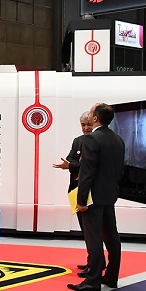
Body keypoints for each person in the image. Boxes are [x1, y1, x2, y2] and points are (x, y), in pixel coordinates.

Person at [68, 103, 125, 291]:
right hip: (110, 195)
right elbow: (120, 171)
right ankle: (111, 276)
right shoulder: (118, 139)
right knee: (112, 237)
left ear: (95, 118)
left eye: (91, 113)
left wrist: (81, 200)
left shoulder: (92, 139)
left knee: (94, 238)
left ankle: (92, 281)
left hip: (93, 198)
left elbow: (87, 172)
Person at [53, 111, 97, 275]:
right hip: (76, 190)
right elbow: (70, 158)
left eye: (88, 125)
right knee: (85, 229)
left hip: (92, 192)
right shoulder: (77, 141)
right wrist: (71, 164)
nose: (86, 128)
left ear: (95, 123)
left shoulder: (97, 142)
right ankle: (91, 261)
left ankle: (95, 264)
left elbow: (89, 167)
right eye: (83, 125)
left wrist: (71, 166)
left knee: (92, 230)